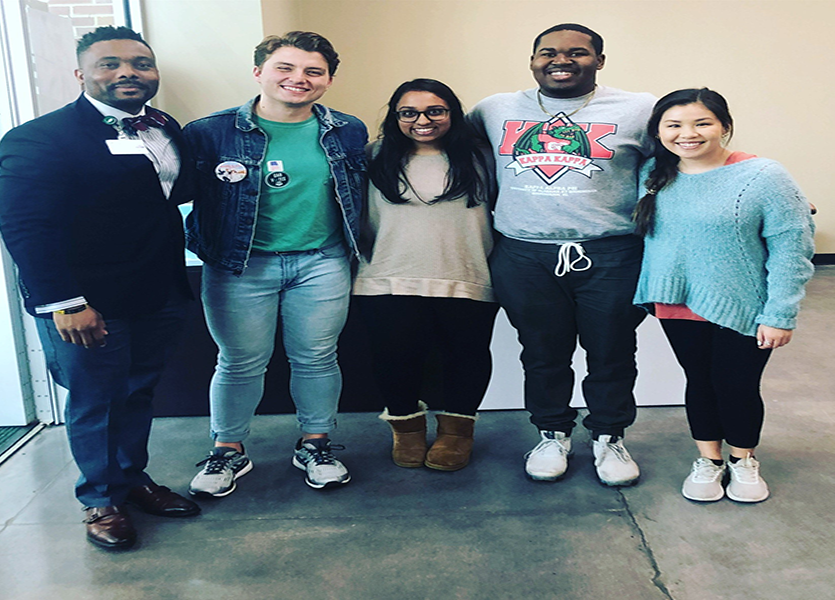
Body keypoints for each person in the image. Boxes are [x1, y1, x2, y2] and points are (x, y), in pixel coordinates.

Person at [0, 26, 200, 550]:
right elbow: (26, 228)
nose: (128, 72)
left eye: (140, 63)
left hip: (157, 290)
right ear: (81, 74)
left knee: (138, 391)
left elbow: (163, 200)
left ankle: (131, 478)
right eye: (110, 63)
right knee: (95, 400)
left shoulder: (164, 127)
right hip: (86, 299)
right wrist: (64, 302)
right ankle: (100, 499)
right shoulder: (40, 138)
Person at [468, 23, 655, 486]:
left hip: (611, 253)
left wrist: (751, 180)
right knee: (542, 353)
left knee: (612, 352)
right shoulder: (494, 109)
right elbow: (440, 142)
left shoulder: (639, 108)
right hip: (524, 253)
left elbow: (685, 150)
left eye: (578, 52)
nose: (561, 60)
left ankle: (609, 436)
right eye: (548, 52)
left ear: (600, 61)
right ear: (533, 60)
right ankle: (552, 433)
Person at [184, 32, 367, 494]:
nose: (298, 78)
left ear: (328, 80)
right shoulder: (209, 132)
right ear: (258, 72)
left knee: (317, 358)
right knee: (240, 362)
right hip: (239, 265)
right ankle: (228, 451)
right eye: (285, 67)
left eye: (313, 71)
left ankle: (316, 444)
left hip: (321, 262)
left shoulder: (348, 130)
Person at [632, 88, 815, 503]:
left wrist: (780, 313)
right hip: (675, 300)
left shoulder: (763, 175)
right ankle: (709, 460)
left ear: (724, 126)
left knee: (737, 385)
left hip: (744, 304)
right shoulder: (651, 173)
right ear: (658, 132)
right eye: (674, 125)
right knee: (699, 381)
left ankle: (743, 460)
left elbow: (792, 248)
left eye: (702, 123)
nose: (687, 134)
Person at [353, 79, 498, 472]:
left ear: (452, 113)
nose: (422, 120)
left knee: (466, 357)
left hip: (466, 274)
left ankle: (456, 434)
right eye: (409, 113)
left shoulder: (482, 156)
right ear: (394, 116)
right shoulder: (372, 155)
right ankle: (407, 430)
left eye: (435, 111)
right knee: (393, 358)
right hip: (386, 276)